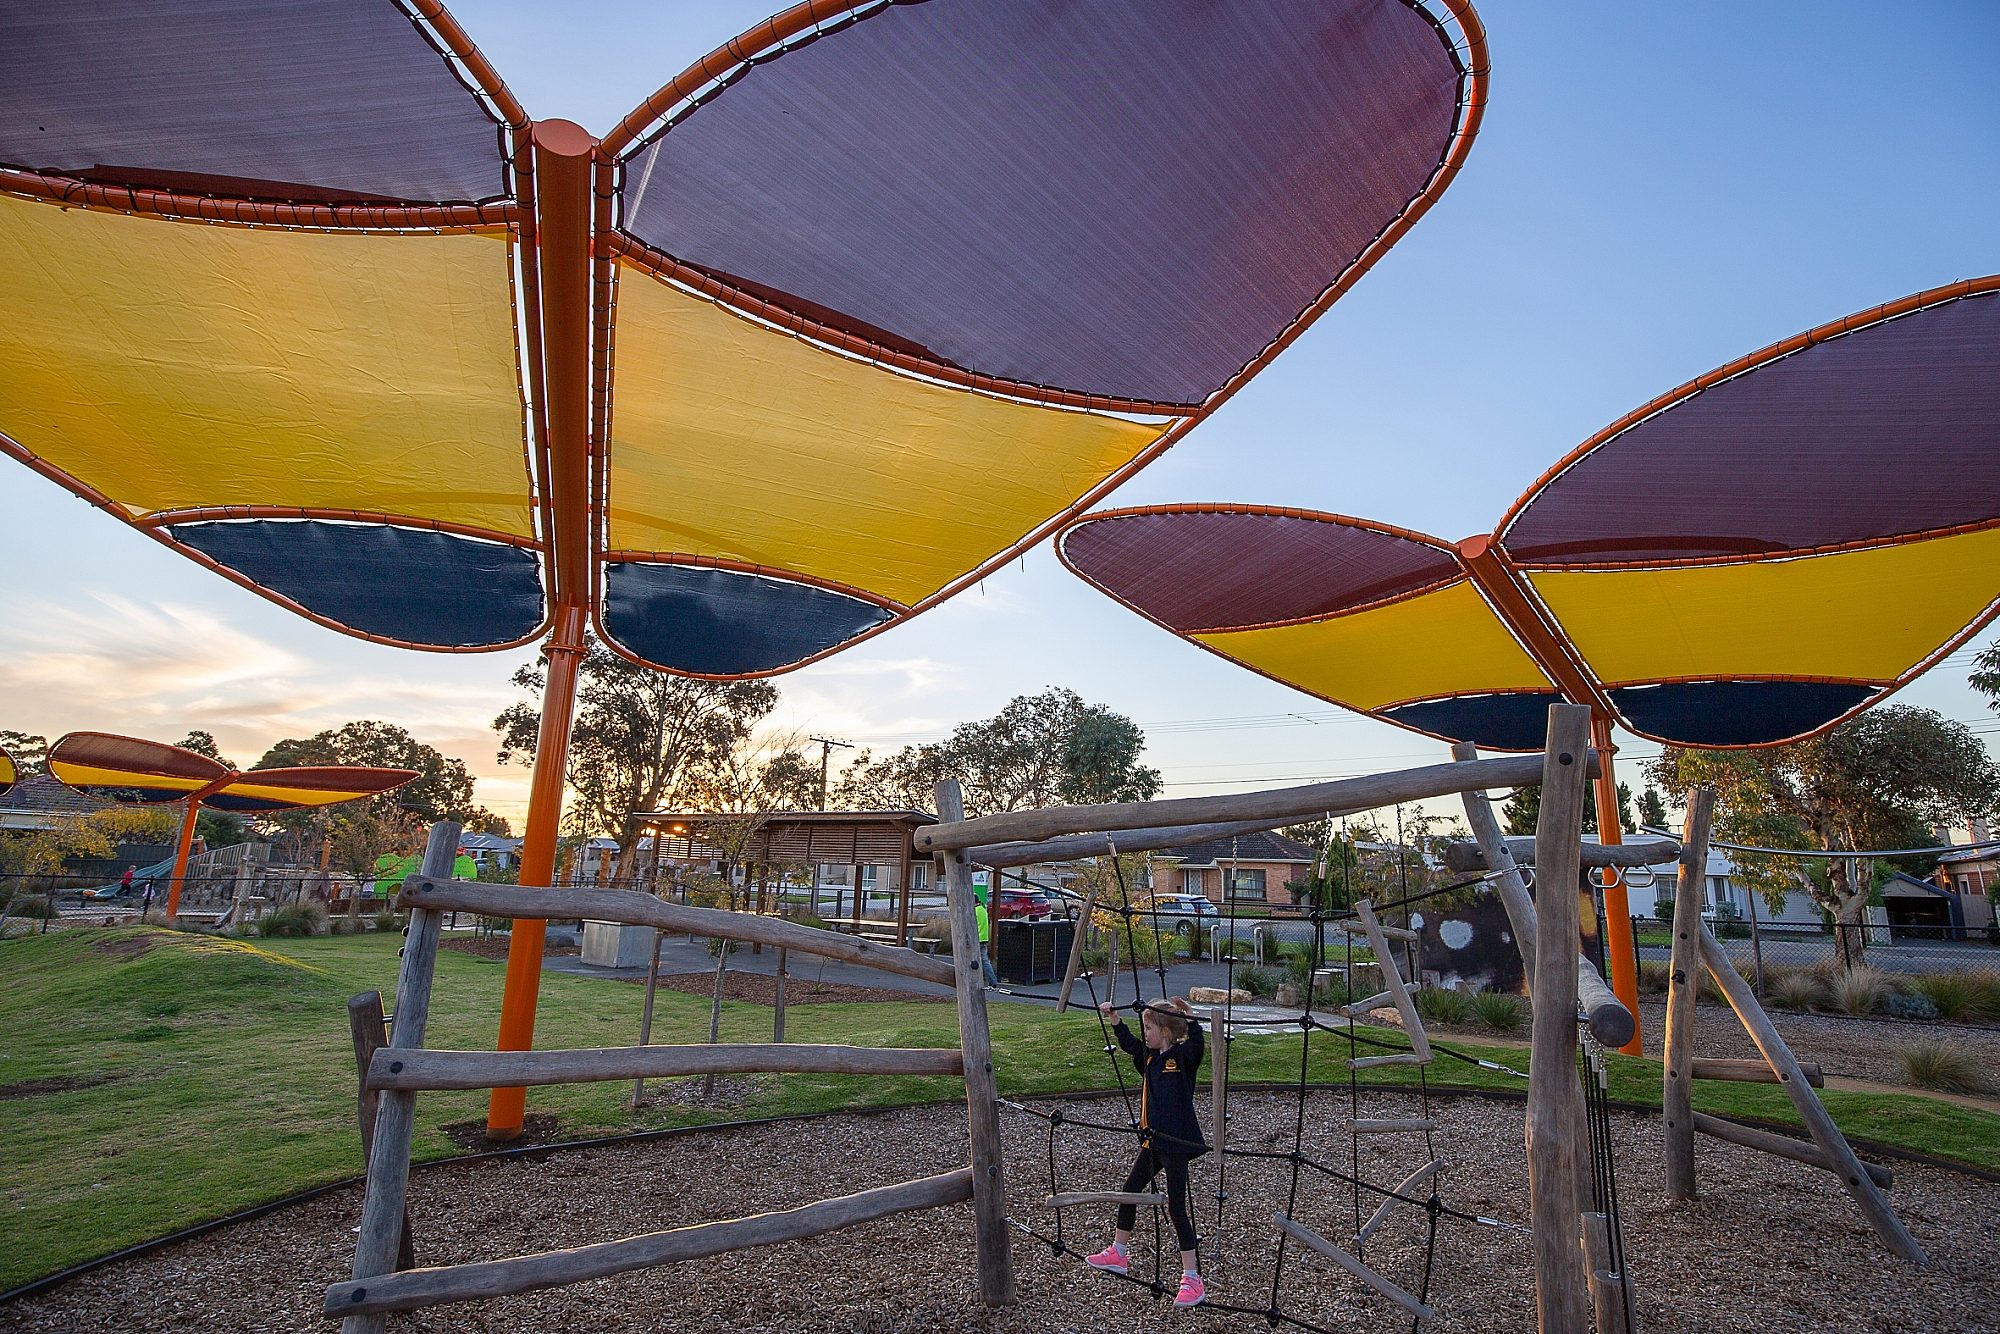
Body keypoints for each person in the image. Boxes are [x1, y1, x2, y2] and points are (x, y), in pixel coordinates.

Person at [1086, 996, 1207, 1308]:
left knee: (1176, 1208)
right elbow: (1130, 1044)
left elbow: (1198, 1045)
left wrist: (1191, 1017)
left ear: (1165, 1032)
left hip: (1176, 1144)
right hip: (1153, 1143)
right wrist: (1114, 1019)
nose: (1146, 1034)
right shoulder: (1149, 1058)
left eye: (1150, 1028)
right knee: (1130, 1190)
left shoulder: (1181, 1058)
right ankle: (1119, 1253)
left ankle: (1192, 1279)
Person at [975, 883, 1000, 988]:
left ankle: (980, 979)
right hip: (984, 938)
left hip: (977, 938)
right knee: (985, 960)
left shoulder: (974, 911)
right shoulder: (982, 909)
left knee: (976, 960)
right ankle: (992, 980)